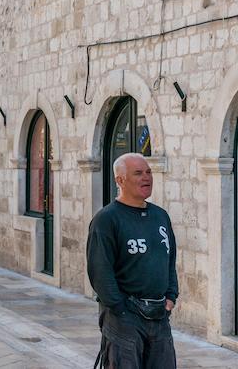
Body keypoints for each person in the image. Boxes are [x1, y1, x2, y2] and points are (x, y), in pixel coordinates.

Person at [87, 153, 178, 367]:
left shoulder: (160, 216)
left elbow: (169, 259)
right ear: (120, 180)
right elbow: (100, 271)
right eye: (138, 173)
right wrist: (120, 308)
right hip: (124, 318)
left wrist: (171, 295)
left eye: (148, 172)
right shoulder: (106, 219)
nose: (146, 177)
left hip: (159, 315)